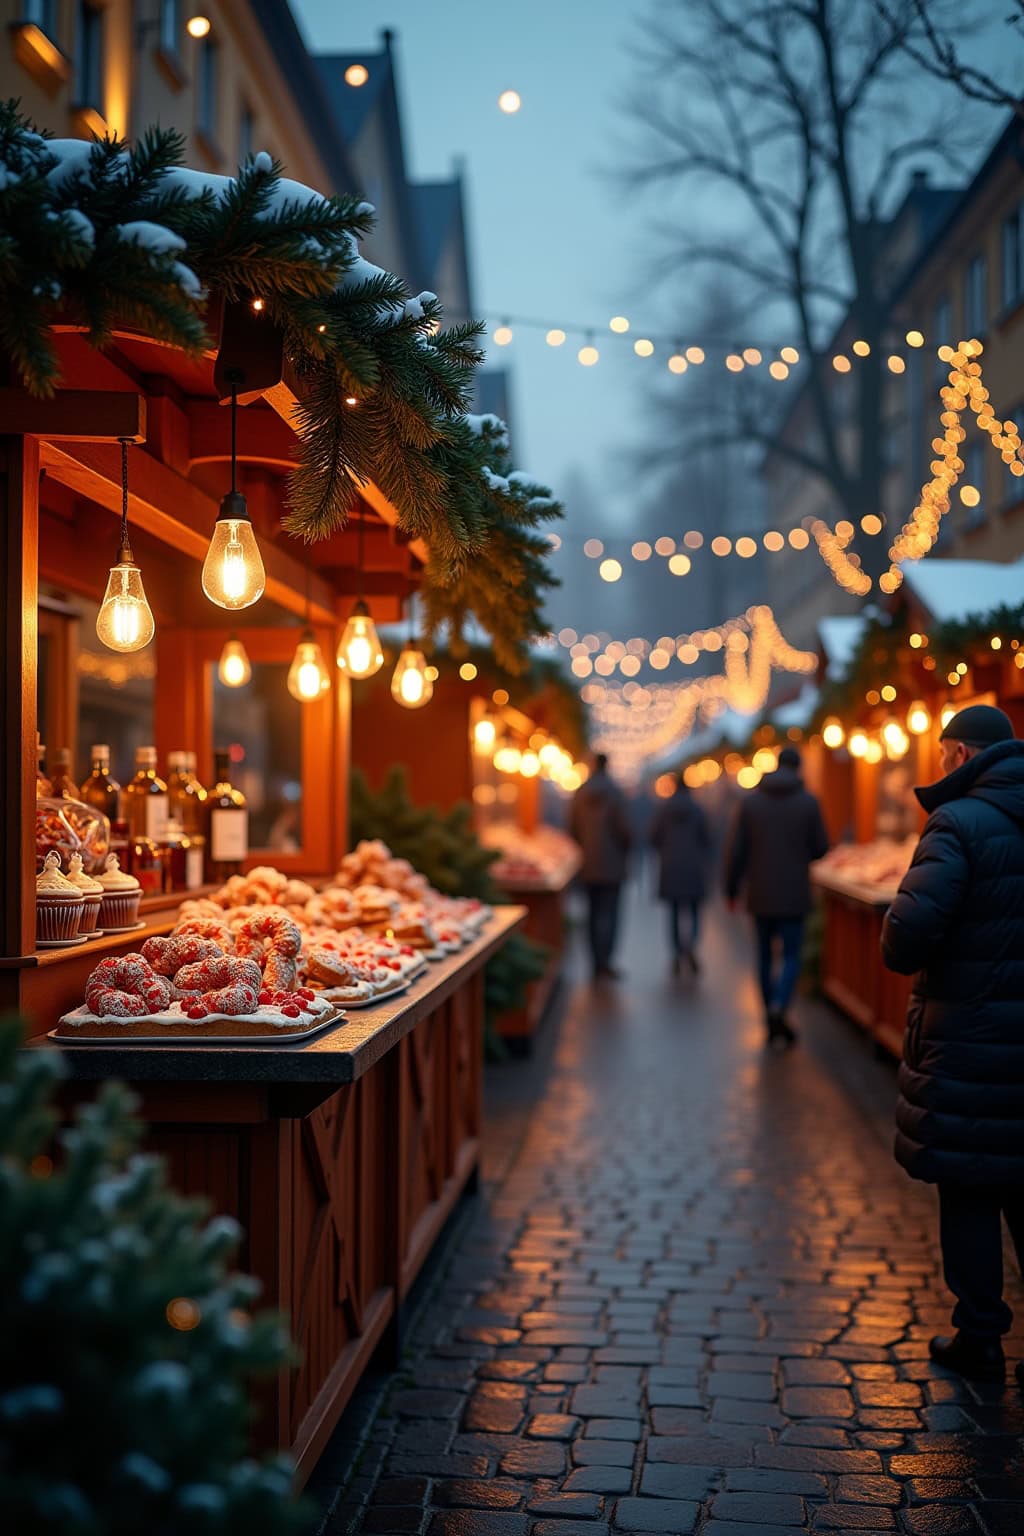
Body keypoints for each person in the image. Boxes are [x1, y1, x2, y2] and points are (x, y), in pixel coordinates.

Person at [881, 704, 1024, 1384]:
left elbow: (905, 937)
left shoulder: (958, 823)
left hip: (971, 1040)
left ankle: (981, 1334)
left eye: (942, 758)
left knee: (970, 1188)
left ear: (961, 758)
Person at [725, 745, 829, 1045]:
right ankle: (780, 1006)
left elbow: (737, 852)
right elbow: (821, 847)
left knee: (763, 955)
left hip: (760, 893)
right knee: (792, 955)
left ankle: (768, 1011)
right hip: (794, 893)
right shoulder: (809, 803)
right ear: (798, 769)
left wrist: (731, 890)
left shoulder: (751, 803)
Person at [570, 752, 632, 979]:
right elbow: (624, 829)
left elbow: (572, 827)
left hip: (587, 865)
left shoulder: (580, 792)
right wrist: (626, 848)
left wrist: (584, 848)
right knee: (610, 914)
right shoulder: (615, 792)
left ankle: (594, 962)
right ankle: (606, 962)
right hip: (613, 866)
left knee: (592, 913)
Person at [650, 773, 711, 973]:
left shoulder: (664, 809)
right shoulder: (697, 809)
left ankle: (677, 952)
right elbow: (707, 838)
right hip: (693, 867)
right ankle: (690, 944)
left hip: (671, 867)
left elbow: (654, 837)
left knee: (674, 913)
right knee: (694, 912)